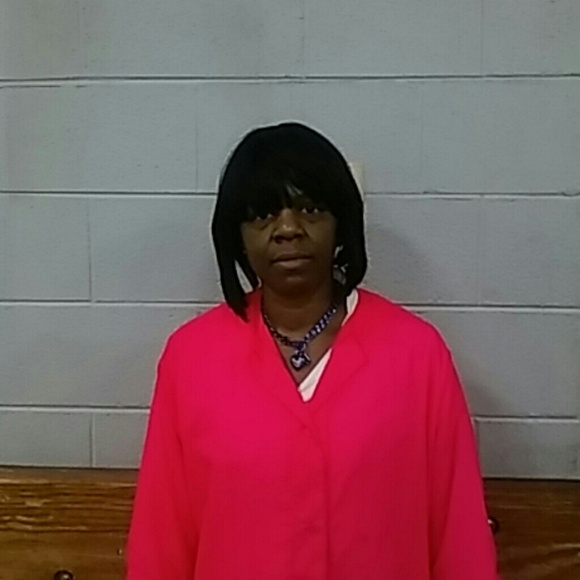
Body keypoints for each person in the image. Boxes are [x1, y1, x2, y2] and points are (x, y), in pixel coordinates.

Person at [126, 122, 499, 579]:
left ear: (341, 222)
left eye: (310, 209)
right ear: (236, 235)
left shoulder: (417, 355)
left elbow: (460, 539)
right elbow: (161, 542)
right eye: (262, 214)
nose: (288, 229)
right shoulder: (190, 359)